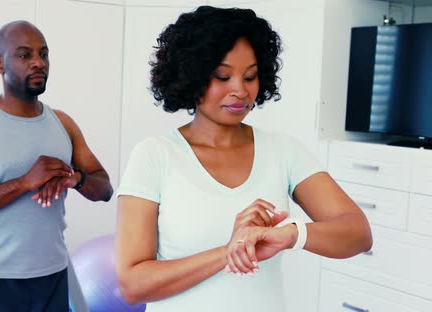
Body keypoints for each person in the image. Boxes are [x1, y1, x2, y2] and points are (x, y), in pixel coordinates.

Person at [114, 6, 372, 311]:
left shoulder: (283, 151)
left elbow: (358, 233)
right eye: (222, 76)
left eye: (250, 76)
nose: (240, 90)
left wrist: (291, 234)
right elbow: (133, 284)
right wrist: (230, 250)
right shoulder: (155, 155)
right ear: (191, 77)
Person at [0, 20, 113, 312]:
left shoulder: (63, 123)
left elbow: (105, 187)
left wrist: (75, 178)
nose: (38, 63)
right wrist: (24, 182)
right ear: (0, 64)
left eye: (43, 55)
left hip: (53, 275)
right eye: (24, 55)